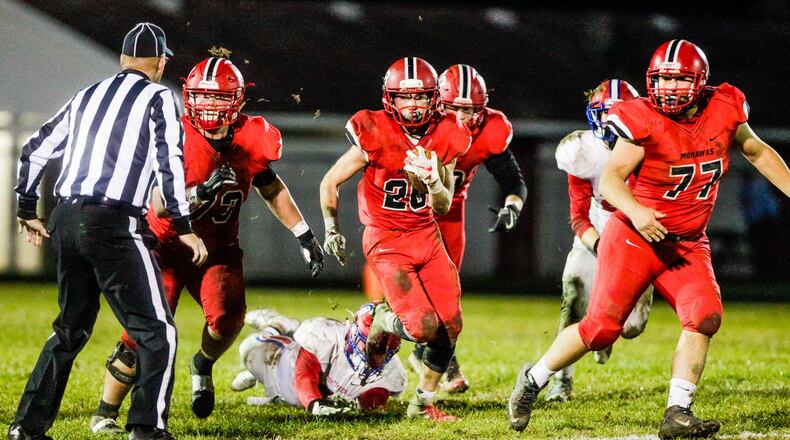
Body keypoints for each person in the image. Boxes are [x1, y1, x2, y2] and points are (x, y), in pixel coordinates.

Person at [508, 39, 790, 439]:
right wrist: (638, 212)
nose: (669, 88)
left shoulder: (724, 108)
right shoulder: (641, 117)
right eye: (662, 79)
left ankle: (678, 411)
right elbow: (611, 180)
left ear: (700, 81)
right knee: (601, 329)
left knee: (705, 316)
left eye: (679, 79)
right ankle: (532, 379)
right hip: (635, 238)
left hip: (687, 241)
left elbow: (757, 151)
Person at [88, 56, 324, 434]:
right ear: (189, 96)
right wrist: (200, 192)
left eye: (218, 97)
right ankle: (106, 412)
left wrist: (304, 233)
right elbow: (159, 203)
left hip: (217, 250)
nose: (210, 105)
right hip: (162, 247)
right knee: (141, 333)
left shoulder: (252, 137)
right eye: (203, 96)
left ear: (238, 100)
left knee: (229, 318)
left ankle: (202, 365)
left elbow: (271, 187)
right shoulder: (173, 133)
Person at [10, 23, 207, 440]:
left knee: (69, 330)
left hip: (65, 217)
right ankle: (146, 428)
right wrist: (184, 225)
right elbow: (169, 163)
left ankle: (25, 427)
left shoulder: (87, 95)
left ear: (122, 59)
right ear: (161, 62)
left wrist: (27, 209)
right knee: (157, 331)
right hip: (113, 220)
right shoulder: (159, 97)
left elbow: (33, 150)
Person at [320, 57, 471, 421]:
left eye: (420, 97)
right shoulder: (374, 130)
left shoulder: (448, 132)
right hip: (386, 238)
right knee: (423, 328)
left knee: (451, 323)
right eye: (405, 97)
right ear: (391, 98)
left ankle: (422, 403)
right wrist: (330, 227)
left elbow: (443, 204)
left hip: (426, 235)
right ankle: (382, 319)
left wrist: (433, 182)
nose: (413, 105)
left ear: (434, 98)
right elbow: (330, 181)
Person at [392, 64, 527, 394]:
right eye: (454, 108)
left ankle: (435, 355)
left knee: (446, 294)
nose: (462, 117)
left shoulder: (489, 129)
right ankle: (375, 347)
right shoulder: (418, 122)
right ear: (438, 103)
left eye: (470, 109)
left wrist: (512, 206)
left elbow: (513, 180)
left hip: (450, 214)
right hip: (408, 213)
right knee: (402, 292)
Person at [545, 79, 654, 402]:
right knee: (574, 294)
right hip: (597, 231)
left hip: (638, 236)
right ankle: (561, 379)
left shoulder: (653, 147)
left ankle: (604, 333)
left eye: (619, 112)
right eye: (605, 113)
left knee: (632, 327)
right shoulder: (583, 151)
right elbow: (579, 216)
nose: (611, 121)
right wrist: (602, 246)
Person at [230, 305, 407, 415]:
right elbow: (303, 375)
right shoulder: (327, 338)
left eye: (385, 352)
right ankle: (279, 324)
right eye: (373, 347)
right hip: (283, 366)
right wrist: (315, 404)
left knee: (290, 397)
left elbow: (372, 402)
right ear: (354, 333)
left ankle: (259, 377)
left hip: (296, 395)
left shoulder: (391, 373)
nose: (378, 357)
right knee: (248, 349)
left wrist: (357, 406)